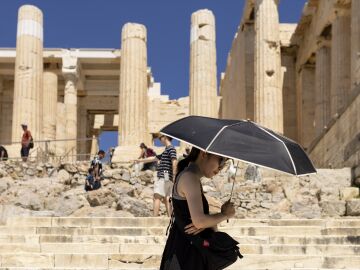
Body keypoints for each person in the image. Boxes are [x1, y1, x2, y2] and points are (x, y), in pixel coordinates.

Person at [160, 147, 235, 270]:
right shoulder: (189, 177)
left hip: (188, 248)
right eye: (221, 161)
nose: (221, 168)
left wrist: (207, 222)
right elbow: (199, 221)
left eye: (225, 163)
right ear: (204, 154)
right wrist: (225, 215)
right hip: (186, 253)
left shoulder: (190, 176)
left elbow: (199, 221)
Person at [134, 135, 177, 217]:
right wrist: (140, 160)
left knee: (156, 197)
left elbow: (174, 161)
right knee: (167, 198)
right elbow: (154, 158)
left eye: (161, 138)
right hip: (167, 175)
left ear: (165, 138)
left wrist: (174, 175)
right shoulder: (167, 150)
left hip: (164, 174)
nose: (160, 140)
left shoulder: (170, 149)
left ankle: (154, 219)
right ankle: (170, 219)